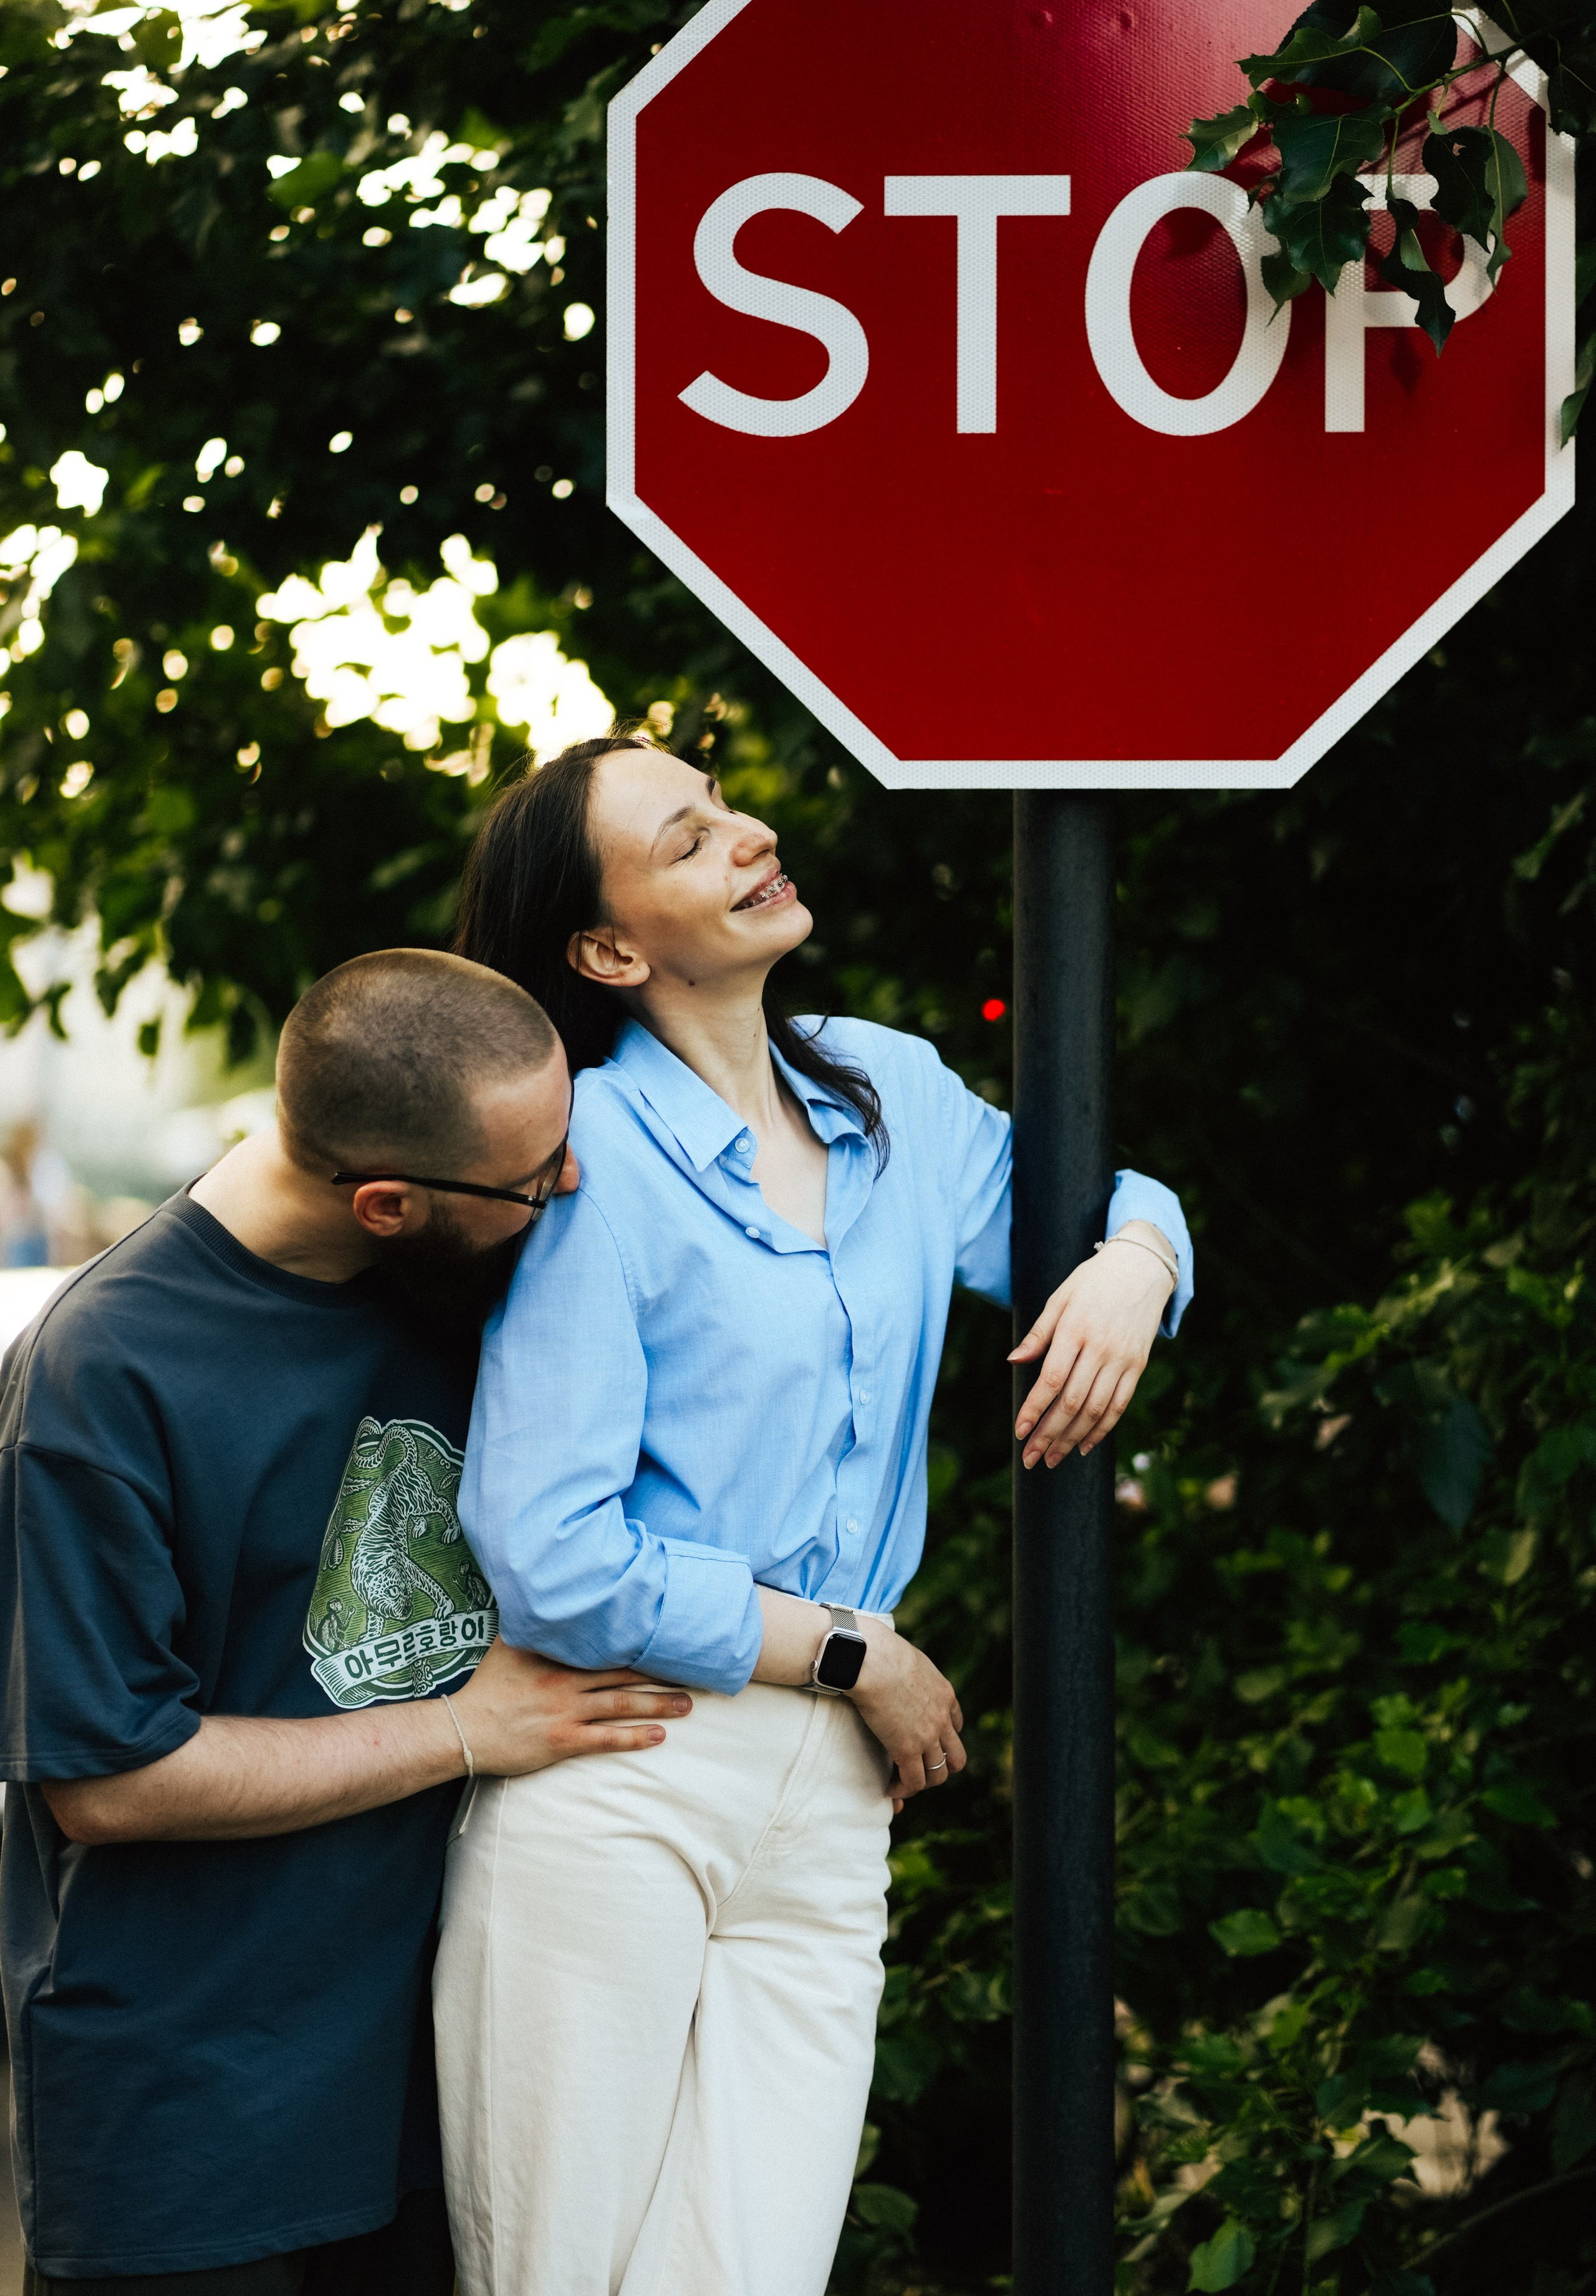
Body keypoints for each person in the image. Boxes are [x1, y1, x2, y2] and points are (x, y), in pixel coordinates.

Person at [436, 734, 1194, 2296]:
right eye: (685, 838)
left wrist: (1140, 1264)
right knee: (559, 2278)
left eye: (726, 809)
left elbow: (1092, 1201)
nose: (746, 836)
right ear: (605, 947)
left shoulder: (888, 1090)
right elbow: (549, 1550)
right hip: (626, 1768)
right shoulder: (586, 1161)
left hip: (831, 1807)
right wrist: (857, 1653)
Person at [0, 948, 686, 2296]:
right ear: (385, 1201)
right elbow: (111, 1782)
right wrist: (469, 1730)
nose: (572, 1189)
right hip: (194, 2139)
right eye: (536, 1177)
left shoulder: (466, 1290)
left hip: (442, 2102)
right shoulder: (96, 1379)